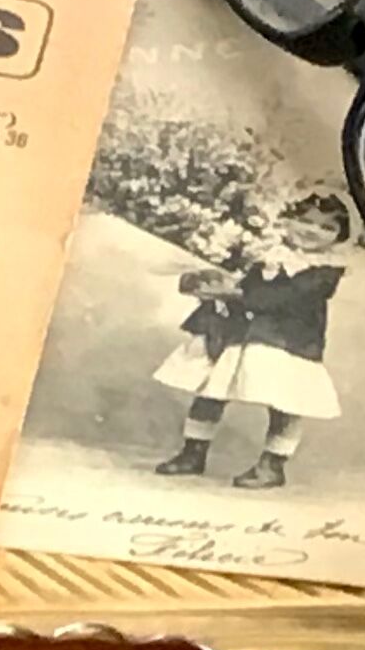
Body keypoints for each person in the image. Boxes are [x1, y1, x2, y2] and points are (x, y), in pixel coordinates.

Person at [152, 188, 354, 488]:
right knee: (212, 390)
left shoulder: (325, 270)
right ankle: (193, 452)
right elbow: (235, 276)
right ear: (286, 218)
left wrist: (236, 294)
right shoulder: (262, 249)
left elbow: (285, 297)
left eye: (328, 227)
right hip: (239, 330)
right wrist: (211, 281)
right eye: (306, 220)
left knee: (286, 400)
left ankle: (273, 464)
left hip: (286, 339)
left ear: (339, 236)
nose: (313, 231)